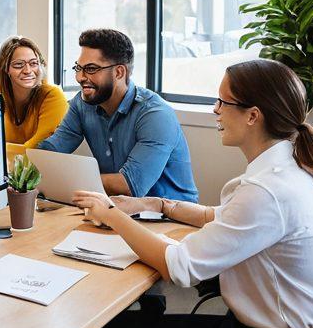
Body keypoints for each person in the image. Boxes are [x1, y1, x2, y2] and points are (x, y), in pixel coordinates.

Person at [65, 59, 313, 328]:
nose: (215, 110)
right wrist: (155, 205)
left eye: (223, 102)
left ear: (253, 115)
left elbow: (180, 267)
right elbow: (223, 217)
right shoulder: (285, 168)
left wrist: (111, 214)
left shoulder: (270, 191)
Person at [37, 28, 197, 202]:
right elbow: (51, 150)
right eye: (78, 68)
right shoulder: (82, 103)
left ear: (119, 72)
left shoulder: (156, 115)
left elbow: (129, 185)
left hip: (172, 219)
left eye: (90, 69)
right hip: (115, 209)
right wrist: (25, 170)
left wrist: (60, 179)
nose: (80, 77)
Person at [0, 36, 69, 160]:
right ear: (6, 69)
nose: (28, 70)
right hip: (9, 175)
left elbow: (37, 150)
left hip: (42, 174)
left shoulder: (53, 96)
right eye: (18, 64)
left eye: (33, 63)